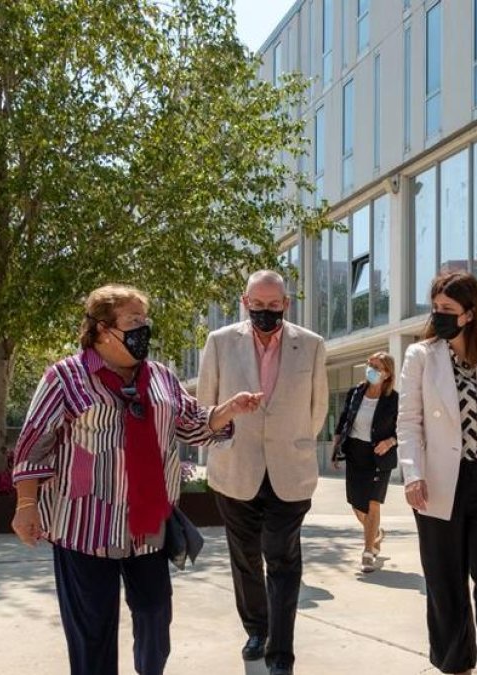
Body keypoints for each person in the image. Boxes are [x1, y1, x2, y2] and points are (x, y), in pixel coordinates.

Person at [10, 284, 261, 675]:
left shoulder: (161, 377)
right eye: (132, 322)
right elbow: (34, 446)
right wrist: (26, 506)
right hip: (85, 527)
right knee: (92, 632)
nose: (142, 329)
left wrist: (225, 412)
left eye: (145, 321)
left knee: (155, 618)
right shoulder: (65, 378)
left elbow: (192, 424)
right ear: (100, 330)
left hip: (148, 528)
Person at [196, 270, 329, 675]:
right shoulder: (220, 343)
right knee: (246, 557)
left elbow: (317, 408)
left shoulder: (311, 344)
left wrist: (296, 441)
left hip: (291, 470)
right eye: (258, 305)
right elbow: (206, 408)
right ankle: (256, 628)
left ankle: (281, 654)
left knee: (283, 557)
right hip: (236, 468)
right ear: (245, 302)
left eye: (274, 305)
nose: (266, 312)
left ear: (286, 304)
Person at [398, 270, 477, 675]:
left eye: (448, 310)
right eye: (436, 308)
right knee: (444, 584)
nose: (439, 316)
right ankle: (455, 666)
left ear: (470, 314)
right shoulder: (421, 356)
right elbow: (408, 420)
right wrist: (412, 473)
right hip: (439, 482)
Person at [331, 351, 399, 573]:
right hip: (355, 453)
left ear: (387, 373)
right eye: (369, 364)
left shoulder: (394, 399)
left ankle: (368, 551)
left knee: (372, 503)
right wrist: (335, 449)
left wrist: (390, 442)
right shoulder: (355, 393)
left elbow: (406, 427)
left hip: (379, 455)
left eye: (376, 367)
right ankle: (376, 534)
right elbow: (344, 422)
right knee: (356, 504)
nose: (370, 369)